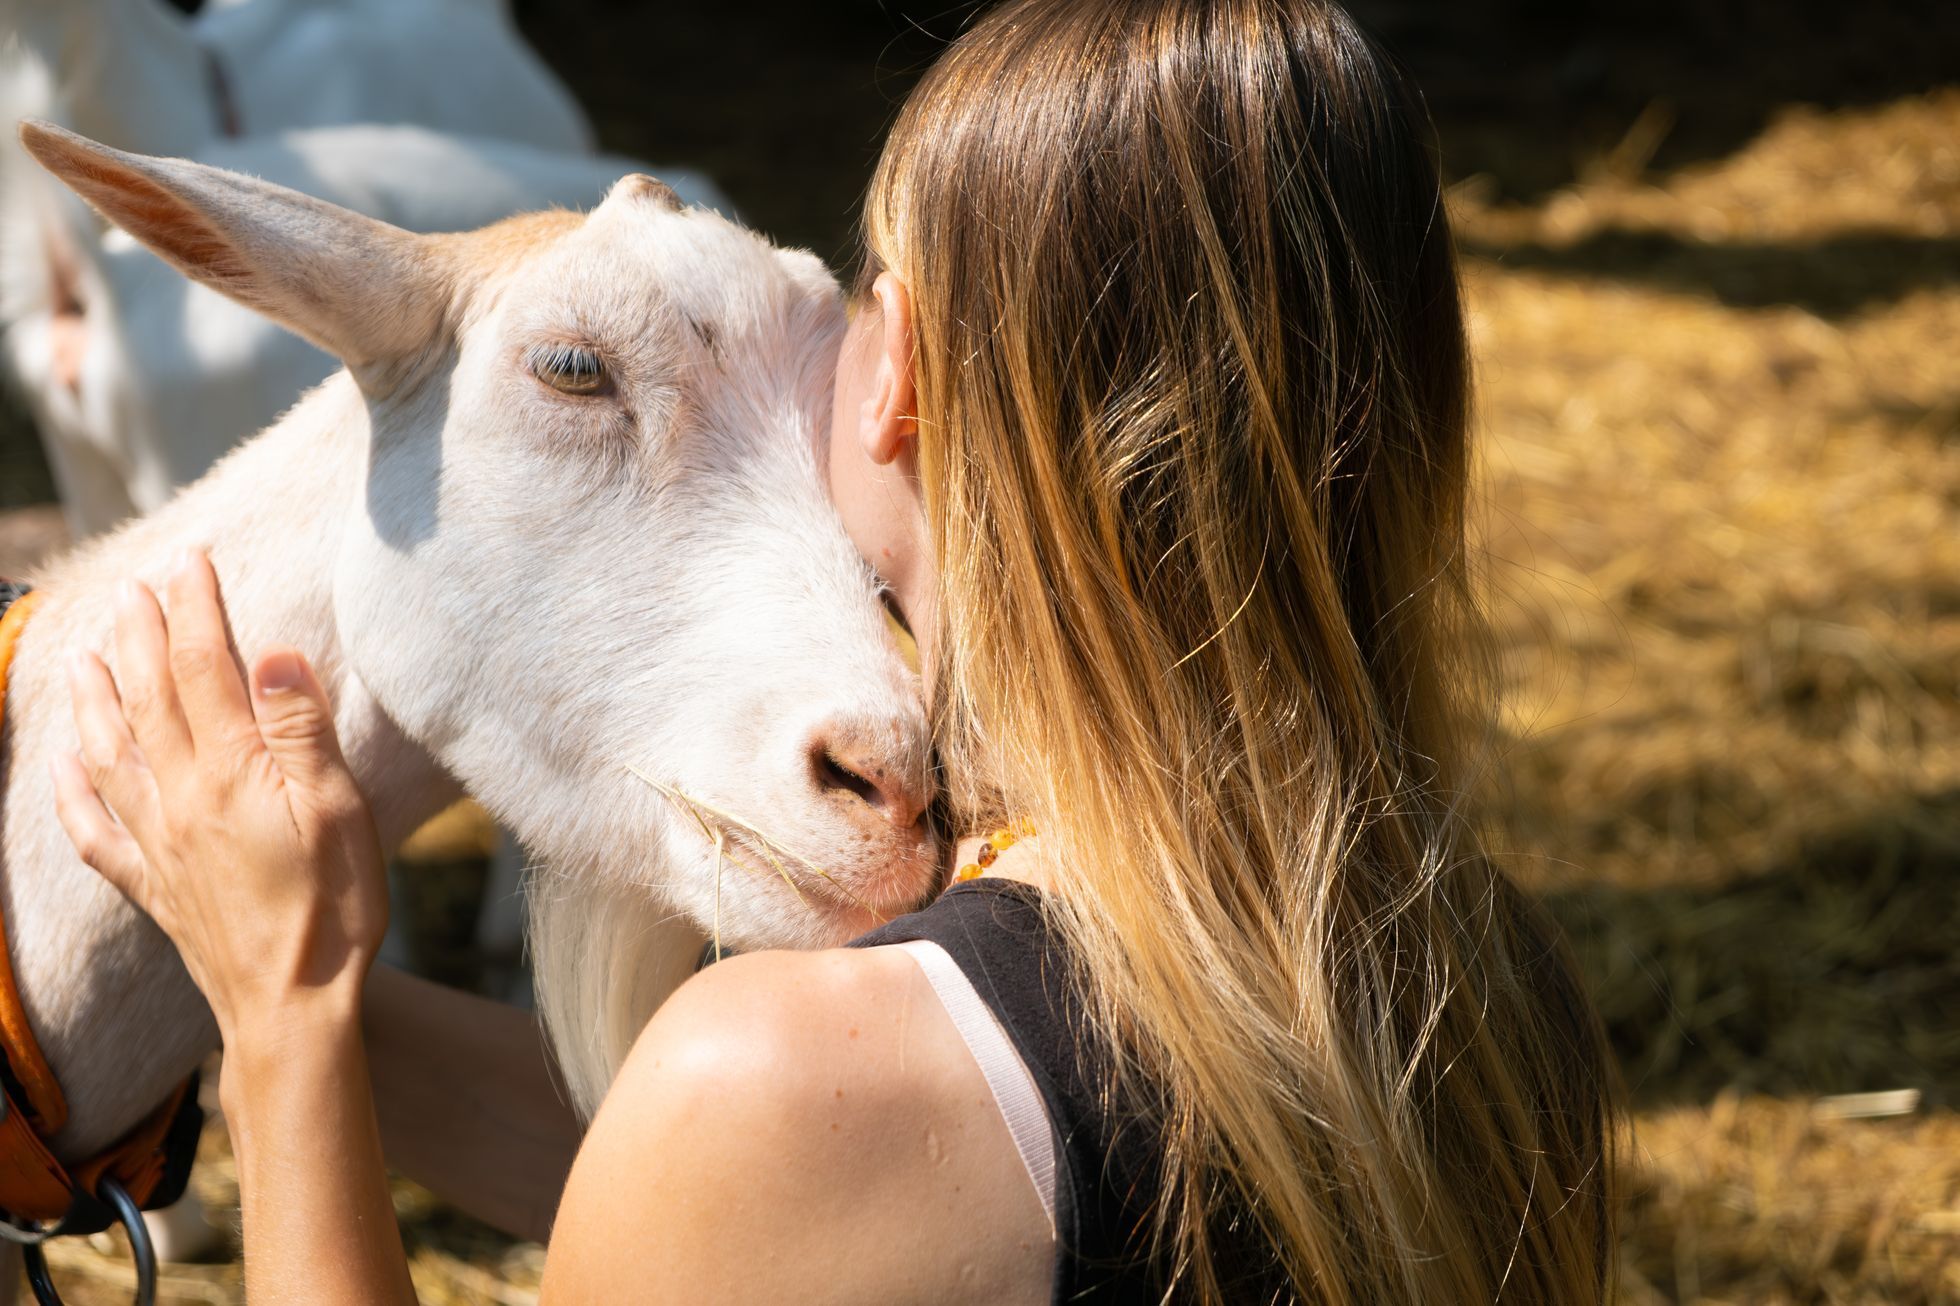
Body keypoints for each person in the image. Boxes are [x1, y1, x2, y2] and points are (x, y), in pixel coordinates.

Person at [49, 0, 1616, 1299]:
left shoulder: (796, 1077)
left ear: (896, 374)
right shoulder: (1479, 994)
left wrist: (291, 1013)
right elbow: (708, 1189)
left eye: (859, 290)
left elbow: (773, 1151)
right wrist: (232, 955)